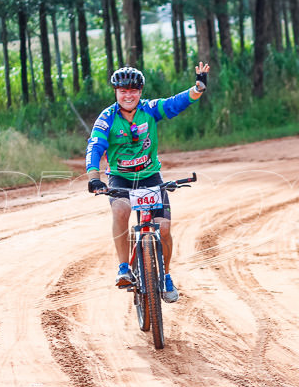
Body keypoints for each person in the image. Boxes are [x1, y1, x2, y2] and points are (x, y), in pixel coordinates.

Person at [85, 62, 210, 303]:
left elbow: (174, 103)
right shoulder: (107, 118)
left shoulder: (149, 110)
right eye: (123, 90)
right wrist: (94, 178)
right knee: (120, 210)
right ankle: (123, 268)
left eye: (133, 90)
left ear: (140, 92)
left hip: (150, 176)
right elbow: (95, 146)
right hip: (120, 177)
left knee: (163, 228)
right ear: (116, 92)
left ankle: (165, 276)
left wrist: (198, 89)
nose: (128, 95)